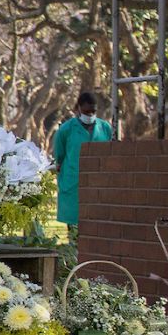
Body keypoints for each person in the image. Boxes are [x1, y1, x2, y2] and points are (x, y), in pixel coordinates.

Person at [52, 91, 115, 231]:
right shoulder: (66, 130)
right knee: (75, 225)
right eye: (87, 111)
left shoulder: (104, 127)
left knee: (97, 223)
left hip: (99, 180)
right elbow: (59, 156)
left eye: (93, 111)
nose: (90, 115)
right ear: (78, 109)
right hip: (74, 180)